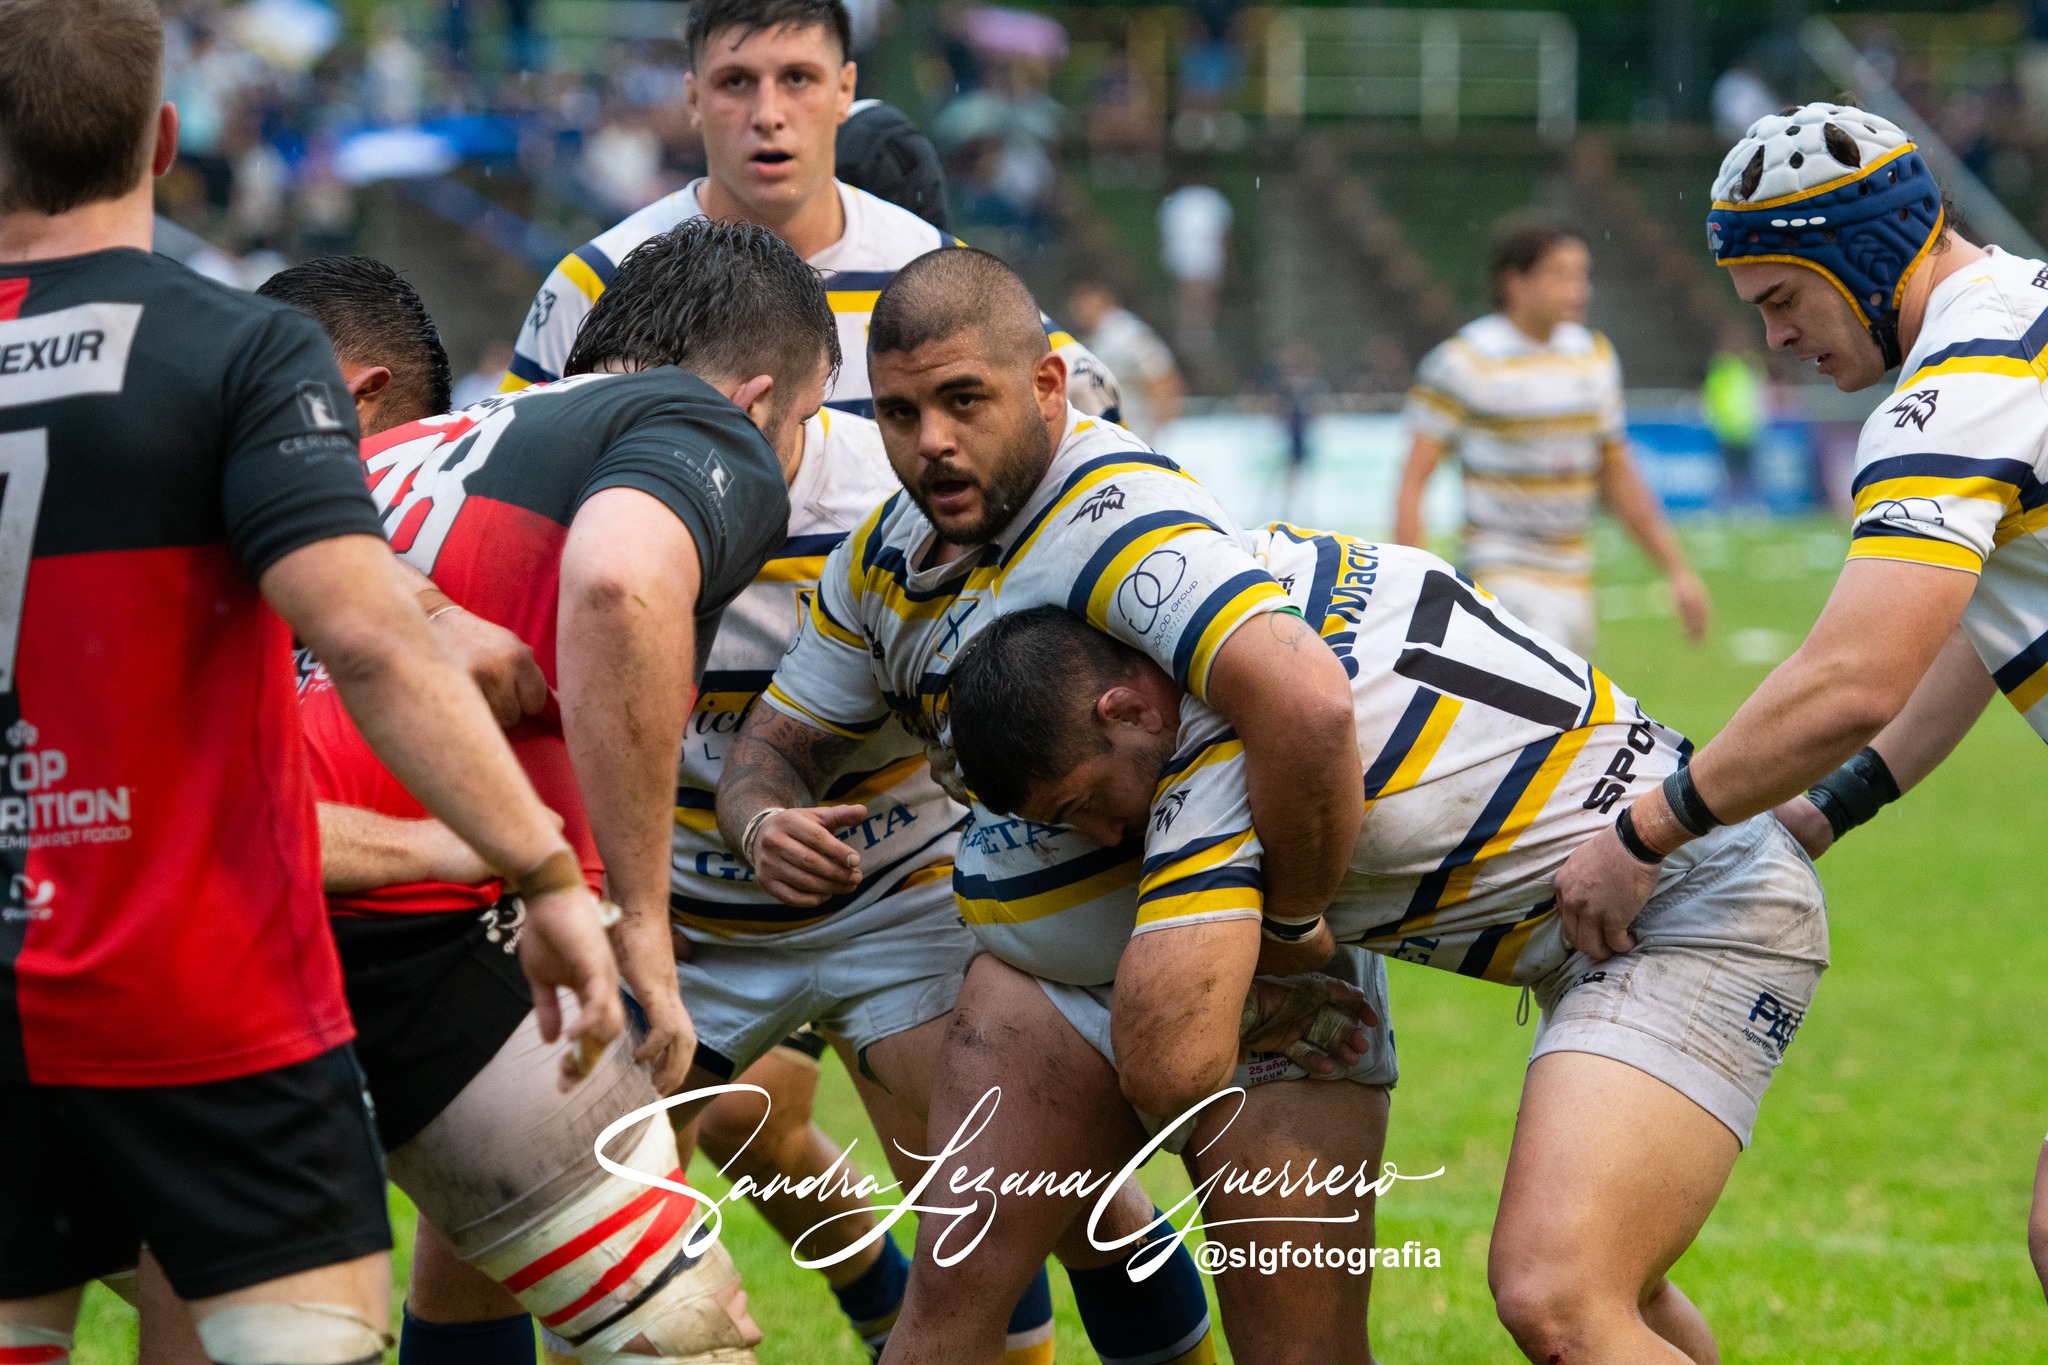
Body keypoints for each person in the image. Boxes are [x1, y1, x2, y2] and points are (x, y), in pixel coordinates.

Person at [0, 4, 621, 1363]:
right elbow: (370, 639)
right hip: (189, 973)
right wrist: (544, 871)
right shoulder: (237, 348)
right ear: (166, 141)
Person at [943, 523, 1829, 1365]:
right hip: (1666, 886)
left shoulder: (1221, 761)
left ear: (1128, 706)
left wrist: (1274, 939)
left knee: (1559, 1296)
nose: (1104, 834)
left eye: (1083, 802)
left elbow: (1172, 1066)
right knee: (1618, 1296)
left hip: (1696, 909)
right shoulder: (1271, 571)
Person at [723, 246, 1389, 1363]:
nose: (928, 438)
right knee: (943, 1319)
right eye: (896, 412)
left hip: (1258, 995)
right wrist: (760, 815)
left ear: (1044, 388)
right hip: (1038, 991)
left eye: (962, 400)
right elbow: (775, 744)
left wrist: (1289, 927)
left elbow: (1307, 711)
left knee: (1299, 1355)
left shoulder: (1120, 520)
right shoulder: (881, 557)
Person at [1627, 99, 2048, 1313]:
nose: (1771, 339)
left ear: (1862, 257)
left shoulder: (1957, 384)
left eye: (1780, 300)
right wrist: (1820, 815)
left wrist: (1649, 830)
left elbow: (1851, 677)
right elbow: (1988, 630)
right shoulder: (2019, 309)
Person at [501, 0, 1119, 425]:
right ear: (692, 97)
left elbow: (1096, 406)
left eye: (797, 78)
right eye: (736, 82)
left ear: (846, 89)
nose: (768, 112)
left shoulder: (934, 270)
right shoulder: (597, 279)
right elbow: (494, 486)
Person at [1395, 216, 1712, 659]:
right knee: (1550, 709)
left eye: (1582, 276)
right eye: (1559, 275)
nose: (1578, 290)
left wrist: (1676, 570)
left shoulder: (1593, 356)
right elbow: (1414, 478)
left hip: (1575, 578)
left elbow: (1616, 474)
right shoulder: (1464, 361)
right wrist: (1410, 584)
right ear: (1515, 282)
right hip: (1501, 572)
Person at [1065, 278, 1181, 441]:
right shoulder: (1093, 337)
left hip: (1134, 437)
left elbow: (1165, 380)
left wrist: (1156, 437)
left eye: (1084, 297)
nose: (1078, 305)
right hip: (1111, 439)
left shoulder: (1126, 333)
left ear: (1105, 297)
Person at [1157, 179, 1231, 352]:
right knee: (1198, 294)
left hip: (1194, 254)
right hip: (1200, 254)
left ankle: (1196, 334)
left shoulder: (1178, 200)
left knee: (1196, 294)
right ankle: (1195, 334)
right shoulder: (1213, 200)